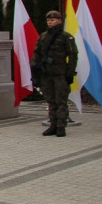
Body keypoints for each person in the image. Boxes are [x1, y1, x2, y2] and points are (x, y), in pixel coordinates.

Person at [32, 10, 78, 138]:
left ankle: (61, 126)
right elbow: (37, 53)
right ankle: (53, 125)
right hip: (46, 74)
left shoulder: (65, 37)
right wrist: (35, 69)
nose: (50, 22)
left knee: (60, 101)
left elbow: (73, 55)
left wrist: (70, 72)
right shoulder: (43, 36)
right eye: (48, 20)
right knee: (50, 101)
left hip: (60, 74)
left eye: (52, 20)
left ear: (59, 21)